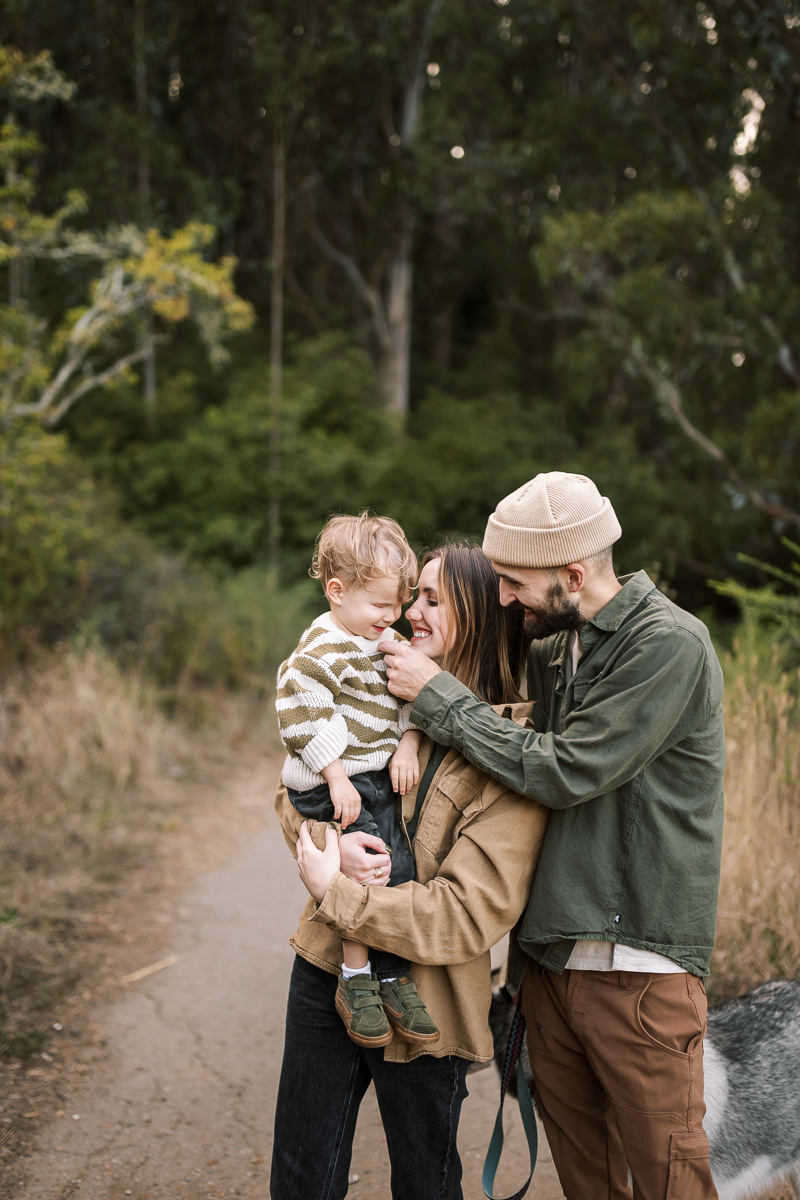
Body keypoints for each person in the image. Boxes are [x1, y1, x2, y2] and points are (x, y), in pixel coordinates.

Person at [380, 472, 726, 1200]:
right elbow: (477, 673)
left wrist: (436, 698)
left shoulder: (668, 647)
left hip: (638, 977)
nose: (504, 598)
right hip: (548, 969)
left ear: (573, 574)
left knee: (671, 1185)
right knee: (587, 1186)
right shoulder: (555, 646)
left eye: (514, 582)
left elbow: (567, 771)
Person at [270, 543, 549, 1200]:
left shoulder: (514, 747)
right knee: (301, 1176)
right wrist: (327, 847)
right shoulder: (374, 672)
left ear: (479, 616)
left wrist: (337, 893)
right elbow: (292, 788)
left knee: (426, 1185)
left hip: (432, 1000)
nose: (407, 614)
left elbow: (466, 912)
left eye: (430, 600)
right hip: (326, 966)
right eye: (410, 597)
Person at [275, 511, 436, 1048]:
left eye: (397, 605)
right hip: (328, 780)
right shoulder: (322, 647)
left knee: (398, 865)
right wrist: (335, 775)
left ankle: (390, 973)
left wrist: (409, 742)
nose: (393, 615)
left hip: (368, 776)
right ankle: (356, 976)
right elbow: (298, 712)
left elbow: (407, 697)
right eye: (381, 604)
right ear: (337, 591)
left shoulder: (381, 638)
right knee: (365, 865)